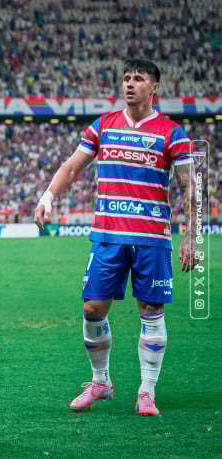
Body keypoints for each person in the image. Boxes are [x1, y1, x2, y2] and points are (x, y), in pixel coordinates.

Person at [34, 59, 196, 416]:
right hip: (108, 235)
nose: (130, 84)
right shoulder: (103, 126)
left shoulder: (172, 133)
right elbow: (74, 166)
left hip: (152, 238)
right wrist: (47, 197)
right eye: (126, 78)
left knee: (151, 311)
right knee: (93, 307)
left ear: (154, 87)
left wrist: (192, 238)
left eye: (138, 79)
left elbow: (190, 188)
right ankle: (101, 382)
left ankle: (147, 390)